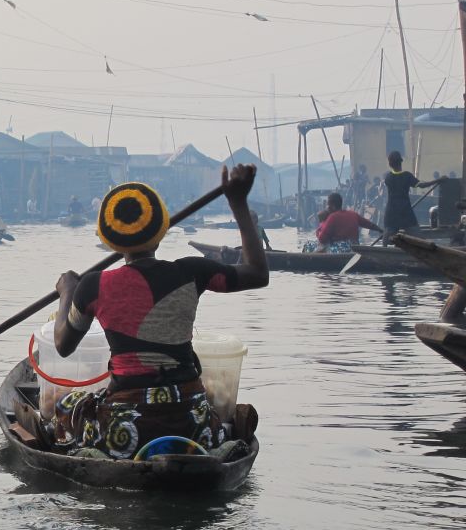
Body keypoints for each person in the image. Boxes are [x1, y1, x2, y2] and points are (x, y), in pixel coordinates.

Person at [51, 165, 269, 459]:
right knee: (215, 411)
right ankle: (215, 445)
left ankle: (103, 453)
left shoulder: (92, 286)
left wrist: (67, 292)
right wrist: (239, 203)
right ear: (161, 231)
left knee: (65, 404)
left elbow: (63, 345)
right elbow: (258, 273)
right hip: (192, 423)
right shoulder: (193, 271)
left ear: (110, 240)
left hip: (126, 427)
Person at [382, 151, 437, 238]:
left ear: (390, 164)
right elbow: (422, 185)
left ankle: (383, 251)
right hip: (405, 211)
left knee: (386, 238)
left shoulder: (387, 178)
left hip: (391, 212)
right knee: (419, 238)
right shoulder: (407, 176)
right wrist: (438, 180)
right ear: (401, 161)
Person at [307, 192, 382, 252]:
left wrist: (322, 224)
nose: (327, 207)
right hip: (356, 248)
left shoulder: (332, 217)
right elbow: (370, 225)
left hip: (341, 250)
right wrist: (381, 230)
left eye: (328, 205)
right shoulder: (353, 214)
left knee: (308, 245)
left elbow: (322, 239)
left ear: (332, 206)